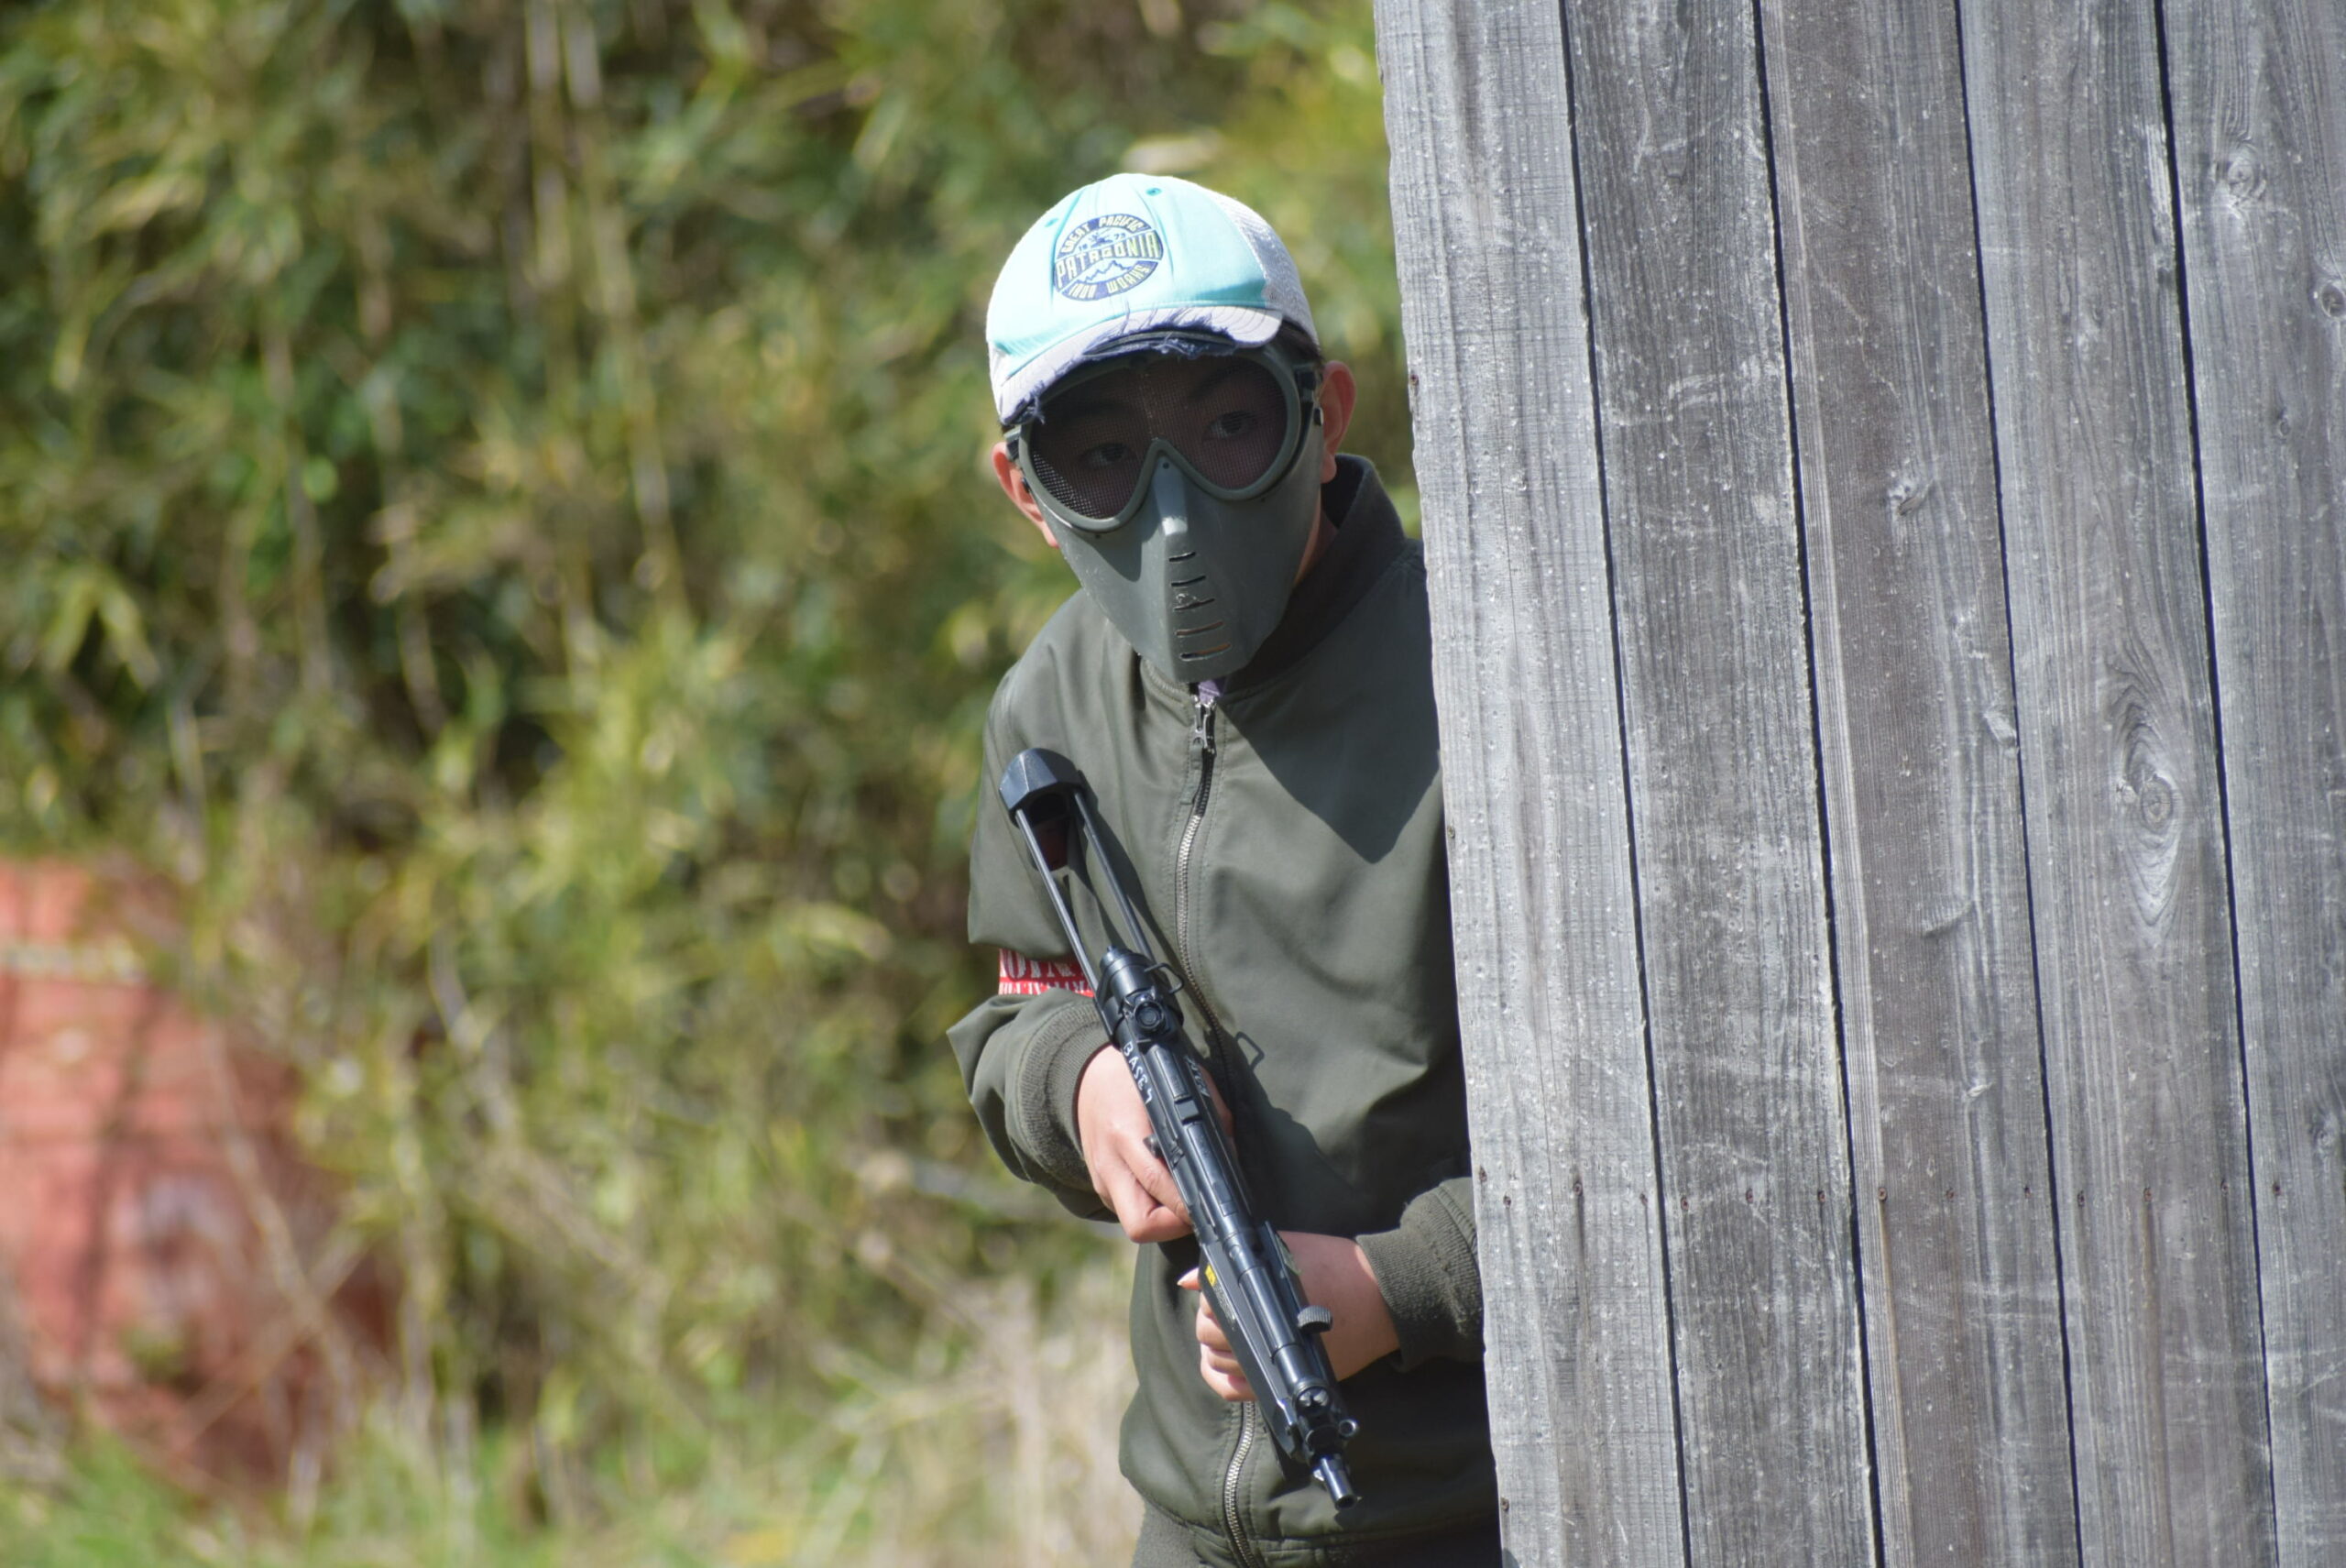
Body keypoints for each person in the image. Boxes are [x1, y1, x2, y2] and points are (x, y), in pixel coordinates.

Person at [948, 173, 1496, 1568]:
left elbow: (1659, 1142)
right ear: (1025, 490)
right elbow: (1018, 1012)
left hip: (1469, 1512)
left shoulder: (1481, 685)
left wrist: (1397, 1287)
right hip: (1196, 1522)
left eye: (1229, 427)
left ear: (1326, 417)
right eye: (1102, 457)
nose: (1176, 512)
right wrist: (1083, 1088)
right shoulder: (1052, 705)